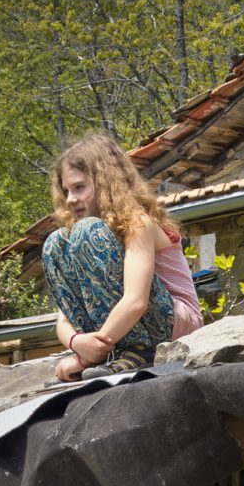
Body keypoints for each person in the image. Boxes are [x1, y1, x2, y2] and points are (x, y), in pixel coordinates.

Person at [42, 133, 204, 381]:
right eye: (66, 191)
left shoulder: (138, 223)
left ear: (105, 183)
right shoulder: (83, 241)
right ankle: (115, 349)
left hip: (173, 327)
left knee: (87, 231)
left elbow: (136, 301)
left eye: (79, 187)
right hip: (119, 333)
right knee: (55, 243)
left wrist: (86, 359)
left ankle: (137, 351)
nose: (71, 199)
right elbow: (64, 319)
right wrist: (77, 342)